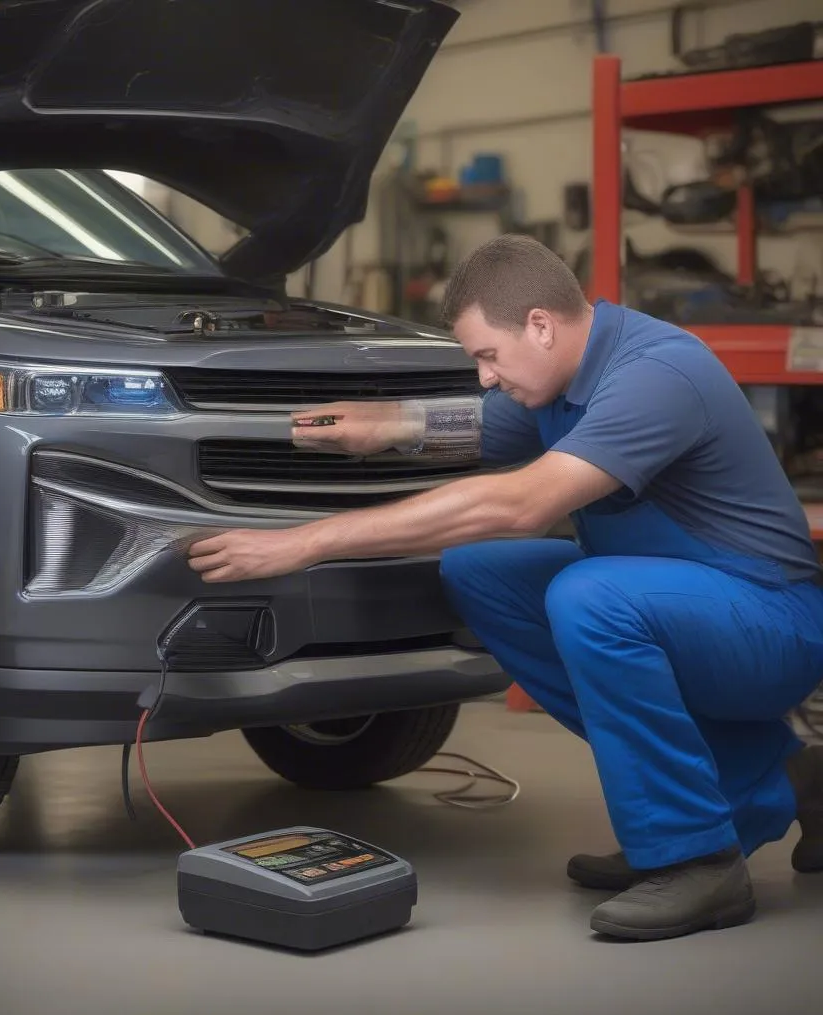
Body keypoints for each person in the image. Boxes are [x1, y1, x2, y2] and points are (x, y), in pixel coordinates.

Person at [186, 233, 823, 941]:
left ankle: (701, 861)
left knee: (589, 599)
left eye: (487, 355)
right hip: (691, 610)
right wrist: (385, 425)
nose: (484, 375)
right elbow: (482, 428)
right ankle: (775, 783)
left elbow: (517, 504)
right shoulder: (563, 376)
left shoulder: (657, 372)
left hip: (772, 626)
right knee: (479, 572)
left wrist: (303, 543)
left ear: (541, 326)